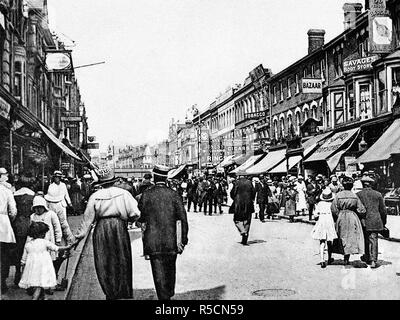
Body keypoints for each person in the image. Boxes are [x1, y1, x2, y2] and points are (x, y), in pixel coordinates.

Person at [74, 166, 141, 300]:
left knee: (104, 260)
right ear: (114, 180)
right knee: (122, 258)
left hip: (101, 228)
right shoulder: (123, 193)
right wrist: (128, 220)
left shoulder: (95, 196)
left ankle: (110, 291)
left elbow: (87, 220)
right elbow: (135, 213)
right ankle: (122, 291)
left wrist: (78, 238)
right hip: (118, 227)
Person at [137, 165, 189, 300]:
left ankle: (163, 297)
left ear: (154, 177)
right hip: (171, 240)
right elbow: (183, 218)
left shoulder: (146, 194)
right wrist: (183, 239)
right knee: (170, 268)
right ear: (166, 178)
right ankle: (169, 293)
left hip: (153, 241)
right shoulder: (174, 194)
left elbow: (140, 217)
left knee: (158, 271)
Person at [19, 222, 71, 300]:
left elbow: (23, 259)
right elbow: (56, 248)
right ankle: (35, 298)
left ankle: (42, 297)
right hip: (43, 267)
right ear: (42, 234)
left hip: (32, 268)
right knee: (40, 285)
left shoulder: (28, 244)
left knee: (38, 284)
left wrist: (23, 268)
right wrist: (67, 247)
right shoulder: (44, 242)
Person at [331, 178, 366, 265]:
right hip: (352, 216)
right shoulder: (354, 196)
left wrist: (338, 215)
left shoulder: (338, 195)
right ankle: (347, 257)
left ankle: (342, 253)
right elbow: (361, 209)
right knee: (350, 237)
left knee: (341, 235)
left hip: (341, 216)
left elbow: (333, 208)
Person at [357, 176, 387, 269]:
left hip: (364, 220)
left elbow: (356, 209)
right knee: (373, 239)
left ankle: (366, 257)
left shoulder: (358, 194)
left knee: (365, 239)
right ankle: (373, 260)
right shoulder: (378, 194)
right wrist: (384, 222)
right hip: (375, 220)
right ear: (371, 184)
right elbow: (383, 210)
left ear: (363, 184)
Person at [11, 179, 35, 286]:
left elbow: (12, 211)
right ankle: (28, 274)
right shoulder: (32, 195)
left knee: (18, 249)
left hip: (18, 224)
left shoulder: (15, 195)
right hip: (29, 223)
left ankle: (17, 271)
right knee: (30, 248)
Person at [44, 171, 75, 245]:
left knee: (63, 224)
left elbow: (66, 195)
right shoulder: (51, 186)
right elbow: (48, 197)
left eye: (58, 177)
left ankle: (68, 241)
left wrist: (70, 203)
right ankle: (56, 241)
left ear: (60, 178)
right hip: (52, 204)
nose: (57, 179)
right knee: (54, 223)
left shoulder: (63, 185)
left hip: (61, 204)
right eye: (55, 177)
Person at [0, 168, 17, 293]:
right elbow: (13, 211)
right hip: (3, 225)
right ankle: (2, 282)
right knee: (4, 255)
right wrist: (9, 220)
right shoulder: (7, 191)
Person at [311, 189, 337, 268]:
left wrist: (317, 216)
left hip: (322, 219)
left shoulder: (320, 204)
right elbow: (335, 212)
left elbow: (315, 214)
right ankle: (329, 258)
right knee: (330, 240)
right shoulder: (332, 204)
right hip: (329, 220)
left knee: (322, 241)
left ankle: (322, 260)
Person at [230, 175, 256, 245]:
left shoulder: (236, 183)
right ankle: (245, 238)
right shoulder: (249, 182)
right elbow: (253, 192)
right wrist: (251, 199)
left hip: (238, 204)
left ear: (239, 176)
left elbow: (232, 193)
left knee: (237, 219)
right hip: (248, 204)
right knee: (247, 220)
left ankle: (242, 231)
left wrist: (235, 199)